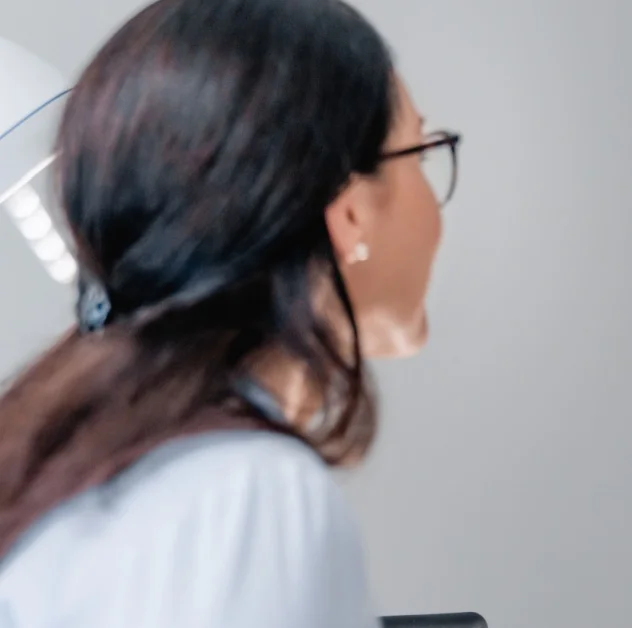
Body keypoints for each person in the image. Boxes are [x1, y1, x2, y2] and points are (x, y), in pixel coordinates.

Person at [0, 0, 458, 625]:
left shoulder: (81, 473)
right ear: (349, 214)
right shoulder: (248, 498)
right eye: (422, 154)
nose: (435, 203)